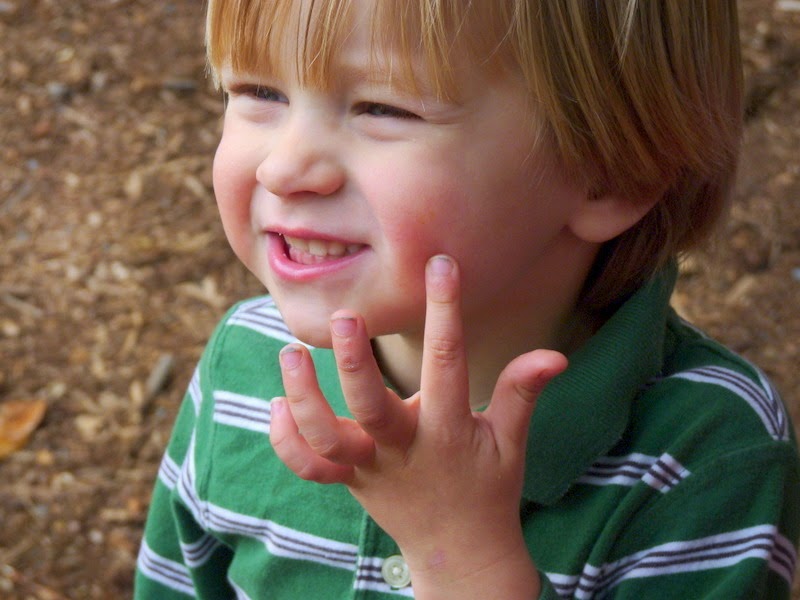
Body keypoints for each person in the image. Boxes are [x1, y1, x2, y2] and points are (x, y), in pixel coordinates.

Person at [135, 0, 800, 598]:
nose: (283, 167)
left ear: (610, 174)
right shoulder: (245, 363)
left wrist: (465, 562)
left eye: (382, 108)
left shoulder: (707, 455)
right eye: (259, 91)